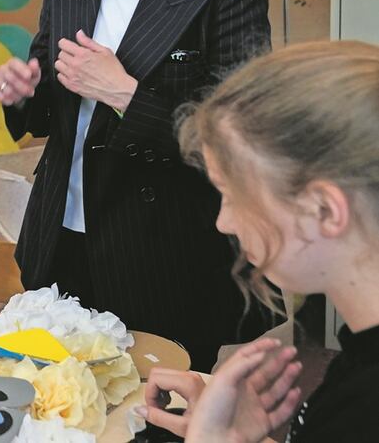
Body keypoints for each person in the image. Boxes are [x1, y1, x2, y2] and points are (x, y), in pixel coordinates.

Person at [0, 0, 271, 371]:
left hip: (163, 254)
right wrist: (24, 92)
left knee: (153, 419)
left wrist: (122, 92)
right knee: (61, 408)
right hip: (61, 239)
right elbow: (48, 115)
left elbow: (235, 142)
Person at [139, 40, 379, 442]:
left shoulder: (363, 409)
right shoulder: (359, 359)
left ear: (323, 209)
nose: (223, 223)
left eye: (233, 196)